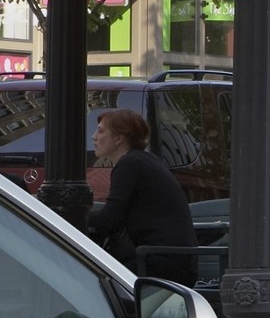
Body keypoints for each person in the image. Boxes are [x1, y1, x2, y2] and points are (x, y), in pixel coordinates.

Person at [83, 107, 199, 282]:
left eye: (100, 131)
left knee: (91, 279)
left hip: (158, 262)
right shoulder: (143, 160)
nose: (94, 137)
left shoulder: (129, 165)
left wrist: (71, 218)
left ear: (119, 138)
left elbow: (109, 217)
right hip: (175, 259)